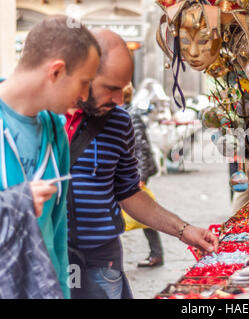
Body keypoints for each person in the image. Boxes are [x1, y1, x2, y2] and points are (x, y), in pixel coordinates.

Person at [65, 29, 218, 299]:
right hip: (48, 259)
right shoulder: (42, 117)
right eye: (110, 88)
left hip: (101, 261)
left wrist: (184, 230)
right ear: (83, 75)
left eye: (123, 88)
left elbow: (128, 192)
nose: (119, 101)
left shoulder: (119, 121)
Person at [0, 15, 101, 299]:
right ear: (56, 72)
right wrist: (17, 202)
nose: (85, 96)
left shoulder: (56, 132)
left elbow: (57, 235)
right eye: (84, 82)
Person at [121, 83, 164, 268]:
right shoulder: (124, 113)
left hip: (135, 172)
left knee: (145, 211)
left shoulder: (131, 115)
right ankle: (156, 254)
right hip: (127, 172)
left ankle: (156, 254)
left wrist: (140, 176)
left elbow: (140, 147)